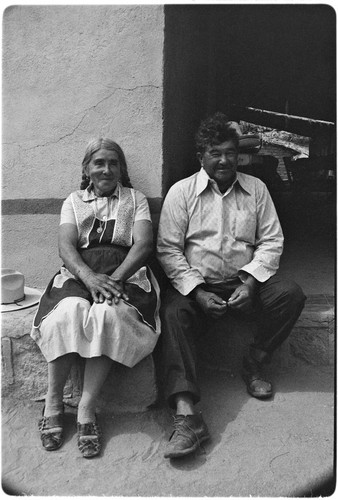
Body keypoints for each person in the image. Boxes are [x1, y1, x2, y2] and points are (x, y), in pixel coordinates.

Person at [156, 112, 306, 459]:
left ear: (238, 154)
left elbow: (271, 241)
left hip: (243, 283)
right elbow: (168, 249)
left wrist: (251, 282)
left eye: (229, 152)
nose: (224, 160)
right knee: (172, 313)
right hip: (199, 286)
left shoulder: (256, 190)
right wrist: (197, 292)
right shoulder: (182, 193)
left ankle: (254, 362)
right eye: (215, 153)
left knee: (291, 294)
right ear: (201, 156)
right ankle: (186, 415)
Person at [31, 138, 160, 458]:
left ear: (122, 169)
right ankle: (53, 403)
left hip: (125, 276)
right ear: (87, 169)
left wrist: (113, 281)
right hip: (79, 274)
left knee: (107, 314)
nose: (106, 169)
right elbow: (66, 247)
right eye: (99, 163)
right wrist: (88, 278)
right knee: (68, 312)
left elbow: (142, 246)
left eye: (113, 163)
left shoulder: (135, 199)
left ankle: (86, 410)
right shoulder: (74, 201)